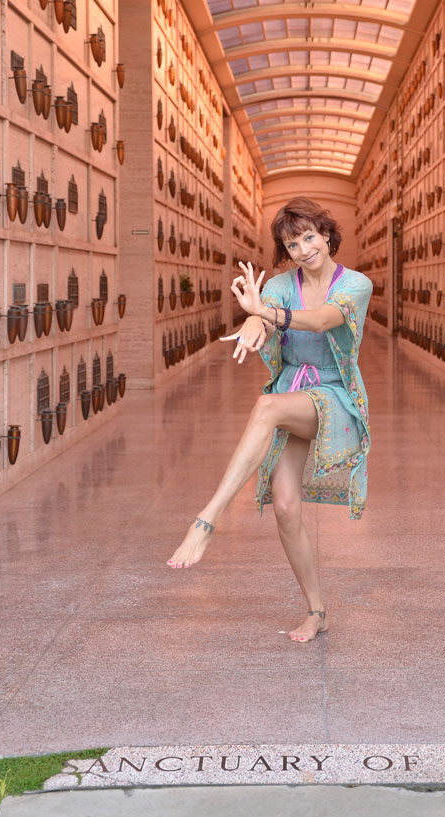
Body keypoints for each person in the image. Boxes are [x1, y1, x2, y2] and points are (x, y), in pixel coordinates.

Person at [167, 197, 373, 642]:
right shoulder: (281, 285)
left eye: (309, 237)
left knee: (265, 408)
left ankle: (205, 522)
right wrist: (252, 325)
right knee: (284, 506)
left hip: (335, 397)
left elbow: (321, 320)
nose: (303, 249)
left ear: (326, 234)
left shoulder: (356, 284)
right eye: (292, 244)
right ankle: (317, 611)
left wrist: (266, 314)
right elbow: (262, 323)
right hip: (295, 397)